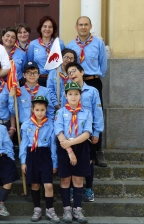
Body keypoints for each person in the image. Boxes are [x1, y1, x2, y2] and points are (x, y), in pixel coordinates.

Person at [66, 16, 108, 167]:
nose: (83, 27)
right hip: (75, 84)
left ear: (90, 26)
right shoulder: (71, 45)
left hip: (93, 81)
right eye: (80, 25)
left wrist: (95, 75)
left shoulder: (98, 43)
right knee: (78, 112)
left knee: (96, 113)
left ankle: (97, 150)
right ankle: (77, 144)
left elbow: (103, 64)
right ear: (76, 27)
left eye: (86, 25)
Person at [62, 62, 104, 203]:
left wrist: (97, 132)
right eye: (69, 73)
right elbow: (64, 111)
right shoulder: (66, 91)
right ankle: (74, 188)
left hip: (87, 132)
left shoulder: (92, 91)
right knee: (72, 159)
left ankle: (89, 189)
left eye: (74, 71)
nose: (72, 74)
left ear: (82, 72)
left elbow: (98, 112)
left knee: (88, 160)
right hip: (70, 133)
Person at [54, 82, 92, 223]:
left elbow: (87, 133)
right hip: (64, 148)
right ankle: (66, 210)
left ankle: (77, 209)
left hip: (81, 147)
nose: (73, 96)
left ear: (80, 95)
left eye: (76, 94)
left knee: (77, 179)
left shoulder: (86, 113)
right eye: (70, 94)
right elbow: (59, 132)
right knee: (65, 179)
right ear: (66, 96)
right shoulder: (60, 112)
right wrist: (69, 150)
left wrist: (72, 143)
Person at [19, 95, 59, 222]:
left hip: (45, 155)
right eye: (37, 110)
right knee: (35, 185)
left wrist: (54, 162)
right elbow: (24, 144)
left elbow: (53, 145)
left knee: (48, 185)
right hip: (32, 155)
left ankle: (50, 210)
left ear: (46, 109)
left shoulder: (51, 125)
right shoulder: (26, 124)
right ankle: (37, 209)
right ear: (32, 110)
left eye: (42, 110)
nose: (40, 112)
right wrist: (23, 161)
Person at [27, 15, 65, 87]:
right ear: (40, 28)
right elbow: (30, 63)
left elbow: (63, 62)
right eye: (44, 26)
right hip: (39, 79)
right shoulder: (33, 44)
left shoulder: (59, 43)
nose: (47, 29)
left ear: (53, 29)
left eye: (50, 27)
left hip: (56, 79)